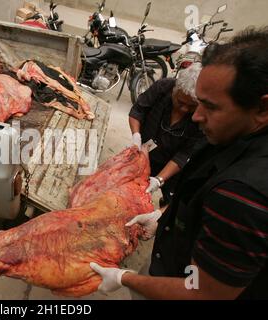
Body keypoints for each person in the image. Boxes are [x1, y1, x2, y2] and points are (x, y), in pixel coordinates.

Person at [91, 27, 268, 299]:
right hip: (174, 261)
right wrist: (162, 216)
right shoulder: (234, 135)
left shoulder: (242, 194)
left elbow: (201, 294)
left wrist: (124, 277)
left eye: (210, 106)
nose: (196, 117)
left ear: (262, 109)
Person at [129, 63, 205, 205]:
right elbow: (138, 111)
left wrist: (159, 179)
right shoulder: (163, 88)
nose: (184, 109)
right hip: (144, 152)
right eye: (181, 102)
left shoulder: (202, 115)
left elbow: (184, 154)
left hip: (173, 166)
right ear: (175, 90)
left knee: (171, 204)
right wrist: (136, 136)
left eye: (191, 106)